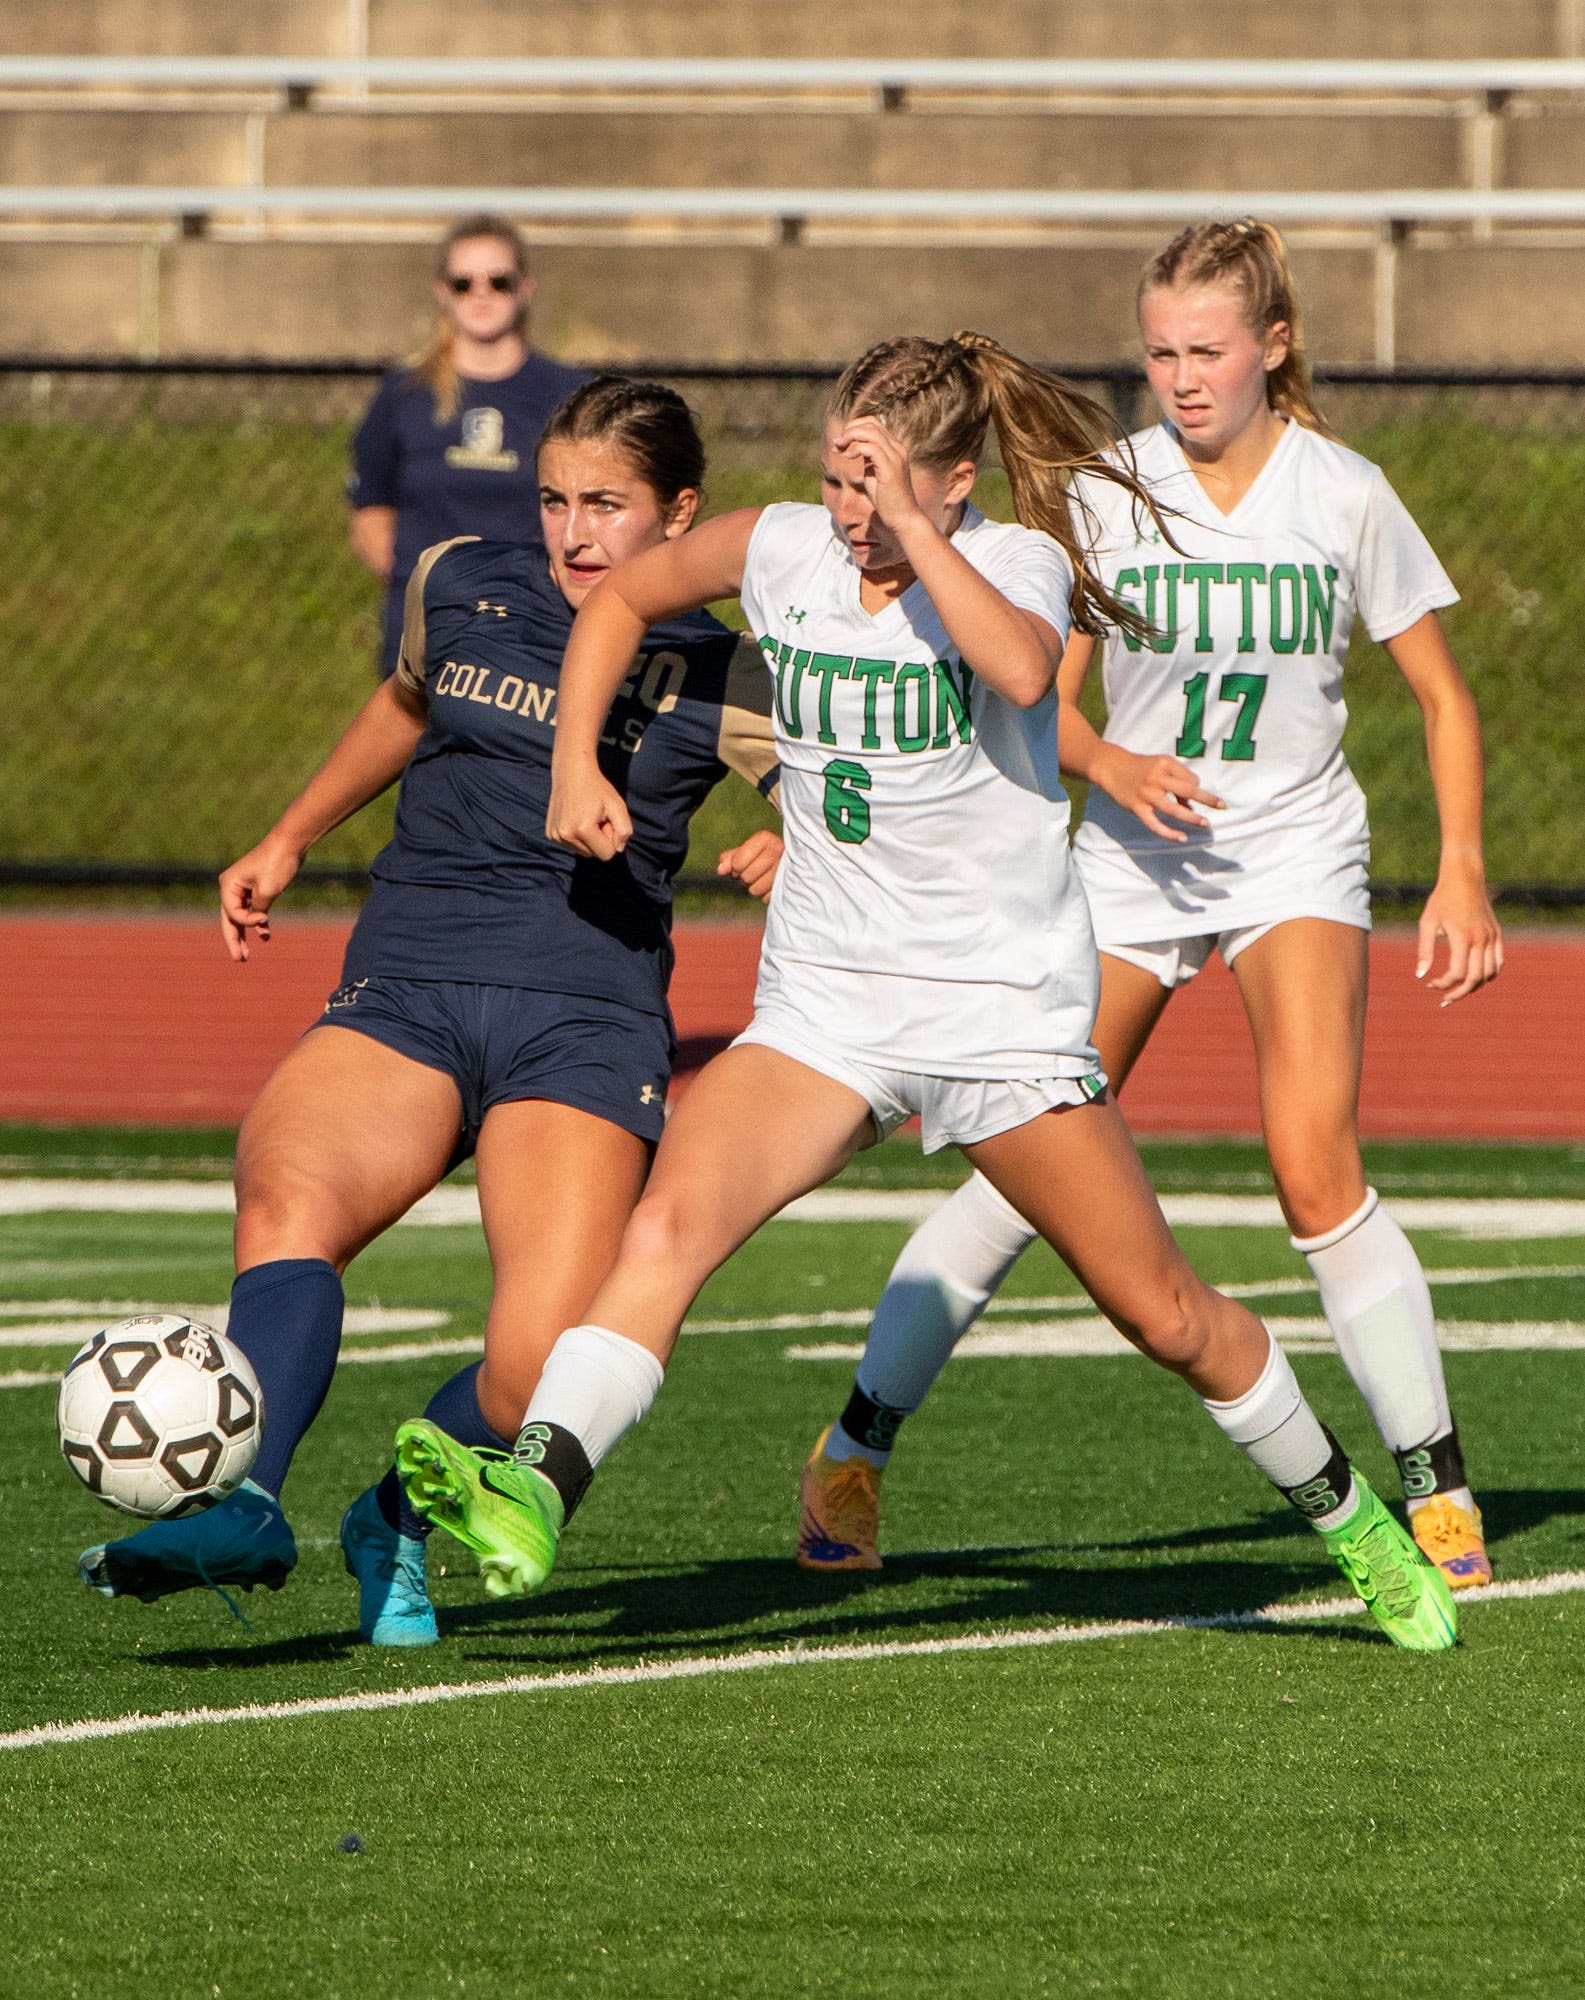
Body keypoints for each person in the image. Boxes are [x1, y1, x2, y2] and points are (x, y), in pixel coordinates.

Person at [393, 331, 1458, 1651]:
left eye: (879, 484)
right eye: (839, 479)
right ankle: (538, 1488)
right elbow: (615, 605)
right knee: (664, 1229)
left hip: (995, 1016)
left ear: (955, 479)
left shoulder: (1011, 564)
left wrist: (915, 528)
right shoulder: (785, 546)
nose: (850, 514)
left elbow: (1019, 671)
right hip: (828, 1010)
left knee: (1167, 1315)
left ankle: (1350, 1516)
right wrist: (573, 766)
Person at [796, 221, 1503, 1593]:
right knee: (1025, 1157)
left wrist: (1461, 866)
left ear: (1272, 346)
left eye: (1208, 350)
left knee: (1312, 1162)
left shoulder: (1343, 492)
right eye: (1160, 352)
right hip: (1127, 858)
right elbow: (1034, 701)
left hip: (1291, 852)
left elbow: (1440, 694)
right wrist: (1110, 761)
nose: (1182, 377)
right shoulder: (1105, 494)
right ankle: (852, 1451)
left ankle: (1436, 1485)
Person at [79, 377, 783, 1647]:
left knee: (536, 1373)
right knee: (288, 1190)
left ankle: (391, 1512)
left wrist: (800, 833)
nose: (574, 532)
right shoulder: (459, 578)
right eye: (556, 499)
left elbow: (871, 786)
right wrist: (289, 834)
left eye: (608, 506)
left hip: (582, 1016)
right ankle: (244, 1498)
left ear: (682, 513)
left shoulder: (737, 669)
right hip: (407, 978)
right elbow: (405, 706)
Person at [348, 213, 588, 677]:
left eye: (498, 281)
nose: (481, 294)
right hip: (425, 635)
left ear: (526, 288)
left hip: (535, 635)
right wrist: (431, 591)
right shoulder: (403, 394)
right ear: (442, 291)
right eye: (463, 283)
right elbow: (371, 513)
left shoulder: (569, 395)